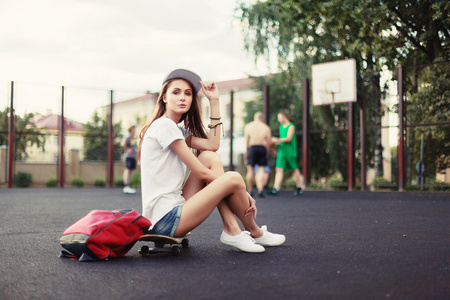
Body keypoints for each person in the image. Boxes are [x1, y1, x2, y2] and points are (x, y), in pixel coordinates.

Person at [138, 69, 285, 253]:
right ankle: (251, 231)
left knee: (209, 157)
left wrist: (214, 101)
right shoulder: (164, 126)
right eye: (176, 92)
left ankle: (234, 230)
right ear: (164, 98)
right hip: (165, 220)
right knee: (233, 178)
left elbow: (212, 144)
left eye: (188, 93)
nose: (182, 97)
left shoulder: (175, 129)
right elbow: (200, 172)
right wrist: (239, 188)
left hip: (174, 210)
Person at [268, 112, 303, 196]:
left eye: (279, 117)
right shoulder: (281, 127)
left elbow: (288, 138)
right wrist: (273, 147)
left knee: (294, 169)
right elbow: (282, 140)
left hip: (290, 152)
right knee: (279, 169)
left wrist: (275, 140)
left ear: (284, 117)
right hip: (282, 152)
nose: (278, 119)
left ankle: (299, 187)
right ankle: (276, 188)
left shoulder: (291, 126)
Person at [244, 112, 272, 198]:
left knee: (250, 170)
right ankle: (260, 189)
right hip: (262, 148)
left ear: (254, 117)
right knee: (261, 170)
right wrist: (267, 152)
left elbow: (246, 140)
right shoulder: (266, 127)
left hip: (253, 148)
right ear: (262, 118)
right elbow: (268, 142)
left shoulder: (249, 126)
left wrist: (246, 152)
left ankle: (250, 190)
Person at [122, 125, 138, 194]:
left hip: (133, 156)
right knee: (128, 170)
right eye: (134, 128)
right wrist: (127, 150)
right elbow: (123, 144)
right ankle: (126, 186)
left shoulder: (133, 137)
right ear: (131, 129)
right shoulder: (128, 136)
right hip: (129, 156)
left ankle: (128, 186)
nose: (135, 130)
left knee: (130, 170)